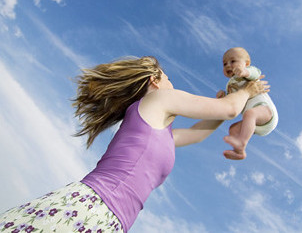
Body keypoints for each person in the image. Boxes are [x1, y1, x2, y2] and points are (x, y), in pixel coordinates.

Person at [0, 56, 269, 233]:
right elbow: (229, 111)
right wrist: (247, 92)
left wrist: (231, 102)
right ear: (155, 81)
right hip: (94, 205)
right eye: (168, 79)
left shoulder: (160, 131)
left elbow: (200, 132)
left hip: (114, 220)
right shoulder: (157, 101)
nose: (172, 85)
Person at [217, 47, 278, 160]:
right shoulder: (230, 86)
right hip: (254, 123)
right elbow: (234, 103)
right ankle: (239, 151)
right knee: (233, 129)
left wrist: (244, 71)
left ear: (246, 63)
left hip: (266, 111)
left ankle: (241, 142)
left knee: (250, 114)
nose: (228, 65)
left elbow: (254, 73)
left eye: (233, 61)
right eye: (225, 64)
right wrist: (223, 98)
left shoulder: (249, 72)